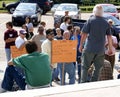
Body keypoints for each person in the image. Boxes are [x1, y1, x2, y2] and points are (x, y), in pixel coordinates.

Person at [79, 5, 113, 83]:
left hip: (89, 48)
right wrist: (110, 49)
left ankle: (82, 83)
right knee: (98, 68)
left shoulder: (90, 20)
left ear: (94, 11)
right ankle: (94, 84)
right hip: (100, 49)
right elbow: (109, 37)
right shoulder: (106, 22)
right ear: (102, 13)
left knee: (85, 67)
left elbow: (84, 34)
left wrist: (81, 45)